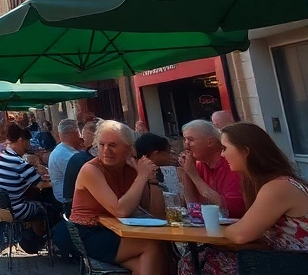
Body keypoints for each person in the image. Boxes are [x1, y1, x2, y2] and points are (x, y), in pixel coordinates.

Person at [188, 122, 308, 275]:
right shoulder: (269, 183)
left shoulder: (278, 187)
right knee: (200, 258)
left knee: (198, 263)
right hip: (286, 261)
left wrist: (226, 229)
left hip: (294, 265)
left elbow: (240, 234)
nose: (222, 154)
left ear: (245, 151)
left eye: (225, 148)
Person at [68, 120, 166, 275]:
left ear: (128, 149)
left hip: (117, 231)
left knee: (153, 264)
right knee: (152, 245)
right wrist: (141, 177)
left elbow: (154, 212)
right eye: (101, 145)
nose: (106, 150)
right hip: (91, 234)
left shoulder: (130, 169)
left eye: (113, 145)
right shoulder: (91, 170)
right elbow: (120, 211)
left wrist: (150, 178)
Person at [180, 118, 247, 217]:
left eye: (190, 139)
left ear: (210, 142)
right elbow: (193, 207)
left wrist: (193, 175)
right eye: (184, 139)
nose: (186, 145)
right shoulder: (198, 165)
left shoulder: (232, 165)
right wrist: (187, 172)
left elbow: (230, 209)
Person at [0, 123, 54, 226]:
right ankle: (44, 238)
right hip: (18, 209)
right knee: (51, 208)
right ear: (21, 140)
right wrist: (57, 181)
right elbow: (40, 185)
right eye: (27, 142)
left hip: (3, 208)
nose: (28, 145)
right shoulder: (17, 162)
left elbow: (14, 177)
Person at [62, 119, 100, 216]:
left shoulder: (79, 156)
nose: (81, 139)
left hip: (71, 209)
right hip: (83, 216)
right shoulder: (84, 161)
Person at [48, 119, 84, 204]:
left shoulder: (63, 149)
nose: (81, 136)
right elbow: (84, 180)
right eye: (80, 132)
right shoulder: (66, 155)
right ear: (74, 134)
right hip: (70, 202)